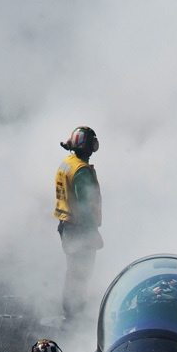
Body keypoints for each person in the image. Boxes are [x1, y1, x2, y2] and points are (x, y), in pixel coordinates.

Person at [53, 126, 103, 318]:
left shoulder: (68, 163)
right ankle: (74, 311)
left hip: (67, 226)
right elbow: (85, 206)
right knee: (81, 271)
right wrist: (92, 232)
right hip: (80, 228)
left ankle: (72, 307)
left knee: (74, 269)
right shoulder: (81, 171)